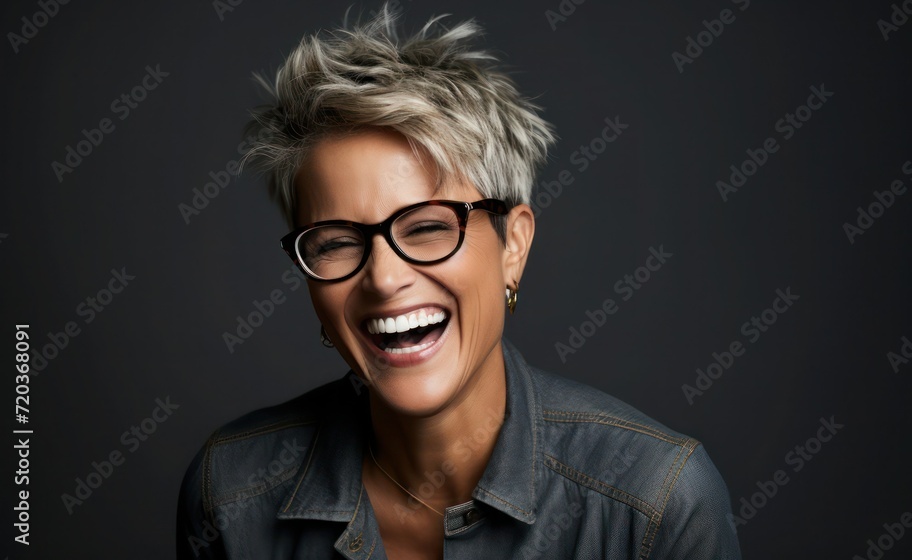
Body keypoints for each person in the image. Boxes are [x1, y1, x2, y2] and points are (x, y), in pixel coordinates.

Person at [176, 4, 742, 559]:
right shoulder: (229, 491)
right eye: (336, 242)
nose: (384, 278)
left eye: (426, 227)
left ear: (513, 246)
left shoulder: (656, 506)